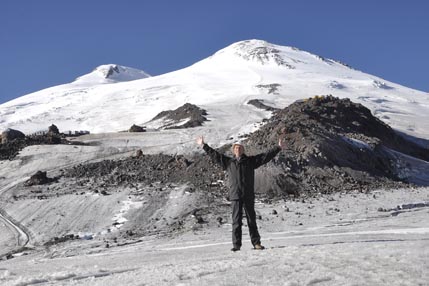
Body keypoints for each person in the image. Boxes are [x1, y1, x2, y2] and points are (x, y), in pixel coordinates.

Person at [196, 135, 286, 251]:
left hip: (248, 195)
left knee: (251, 220)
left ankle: (256, 243)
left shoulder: (250, 161)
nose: (238, 150)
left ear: (243, 150)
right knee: (236, 221)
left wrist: (278, 148)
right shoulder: (229, 163)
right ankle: (236, 245)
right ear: (233, 150)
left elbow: (265, 157)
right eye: (236, 148)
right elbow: (215, 156)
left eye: (240, 148)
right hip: (235, 196)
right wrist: (204, 145)